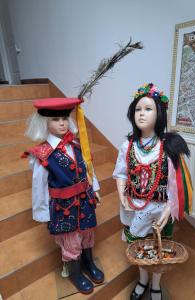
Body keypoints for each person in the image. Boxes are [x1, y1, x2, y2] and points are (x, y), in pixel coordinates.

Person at [113, 83, 192, 300]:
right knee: (139, 247)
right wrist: (122, 196)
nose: (142, 114)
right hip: (134, 208)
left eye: (148, 109)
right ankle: (142, 280)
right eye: (138, 109)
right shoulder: (127, 145)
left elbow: (177, 184)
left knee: (159, 248)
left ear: (159, 114)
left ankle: (155, 284)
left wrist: (169, 207)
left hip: (160, 210)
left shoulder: (169, 146)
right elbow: (120, 173)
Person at [22, 97, 104, 295]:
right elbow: (39, 186)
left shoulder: (76, 144)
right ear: (45, 123)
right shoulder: (43, 154)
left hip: (84, 201)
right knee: (71, 240)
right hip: (64, 207)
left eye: (65, 118)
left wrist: (95, 187)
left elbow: (87, 168)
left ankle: (88, 262)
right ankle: (75, 273)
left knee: (87, 234)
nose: (62, 123)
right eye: (56, 119)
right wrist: (42, 213)